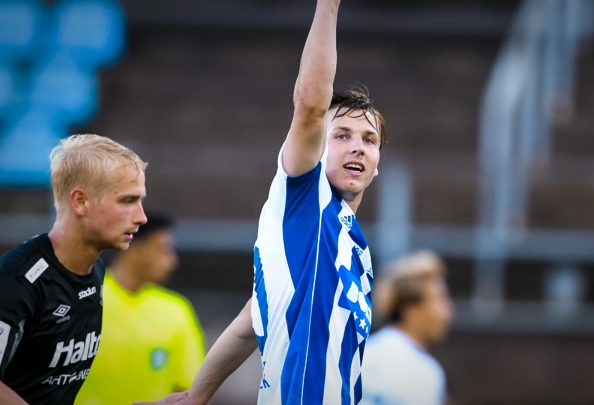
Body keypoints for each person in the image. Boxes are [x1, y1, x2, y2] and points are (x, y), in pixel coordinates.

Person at [145, 0, 386, 403]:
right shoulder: (306, 198)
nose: (357, 148)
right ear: (315, 148)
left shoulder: (353, 244)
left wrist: (196, 395)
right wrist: (328, 8)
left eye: (369, 140)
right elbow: (311, 106)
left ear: (378, 163)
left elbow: (250, 320)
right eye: (341, 135)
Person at [0, 134, 147, 404]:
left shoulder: (95, 271)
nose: (141, 217)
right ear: (80, 201)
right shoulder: (18, 279)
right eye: (127, 201)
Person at [75, 212, 205, 405]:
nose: (172, 261)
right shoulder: (83, 300)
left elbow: (191, 390)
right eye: (163, 250)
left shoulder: (177, 310)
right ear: (135, 248)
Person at [362, 251, 454, 405]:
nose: (448, 309)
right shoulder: (426, 373)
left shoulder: (361, 354)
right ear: (411, 311)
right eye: (440, 299)